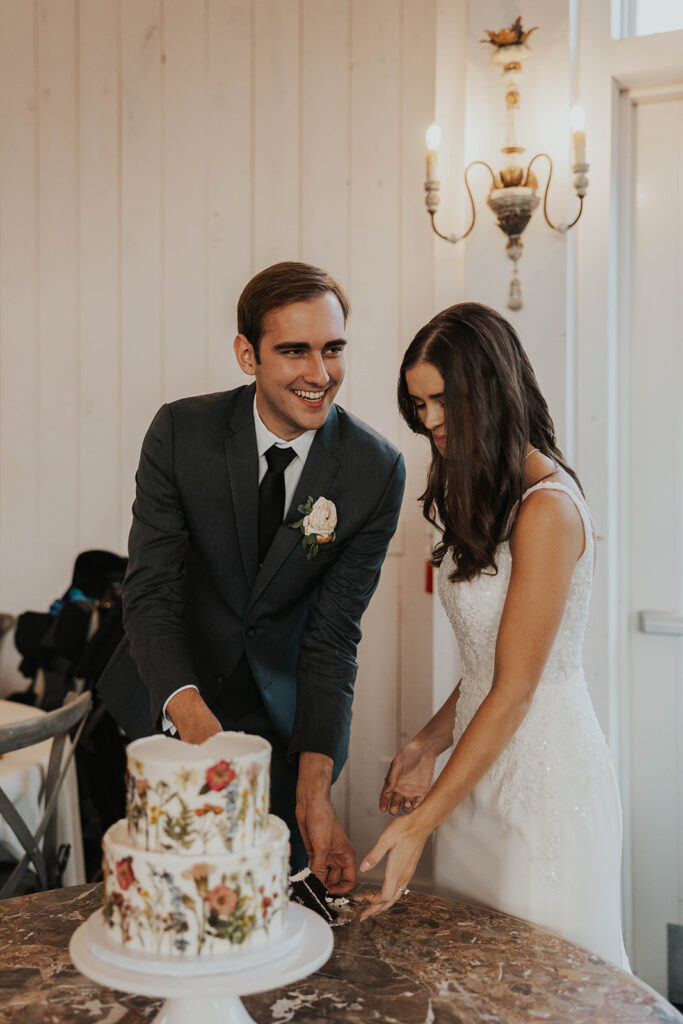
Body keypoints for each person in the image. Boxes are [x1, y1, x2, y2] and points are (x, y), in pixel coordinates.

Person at [97, 261, 405, 893]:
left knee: (274, 920)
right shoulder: (181, 434)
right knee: (156, 915)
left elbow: (332, 638)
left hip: (280, 735)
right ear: (248, 355)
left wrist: (317, 792)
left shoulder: (376, 472)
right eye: (295, 351)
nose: (320, 375)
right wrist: (200, 731)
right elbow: (151, 594)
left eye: (332, 350)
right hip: (164, 706)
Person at [359, 302, 629, 967]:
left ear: (491, 387)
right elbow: (488, 664)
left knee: (542, 986)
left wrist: (420, 822)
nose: (429, 420)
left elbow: (514, 688)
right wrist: (425, 744)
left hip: (544, 784)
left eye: (442, 400)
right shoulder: (479, 491)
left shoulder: (548, 511)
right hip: (476, 772)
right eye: (418, 405)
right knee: (474, 982)